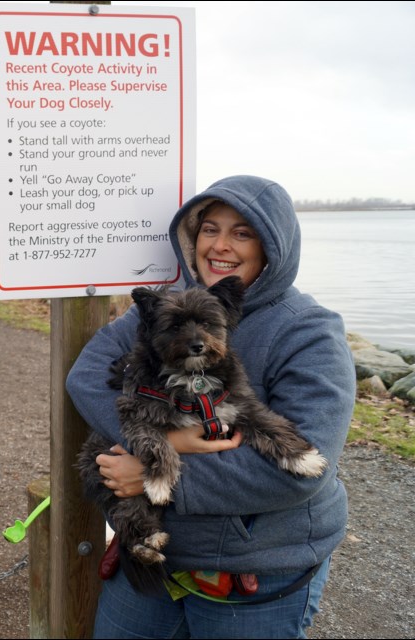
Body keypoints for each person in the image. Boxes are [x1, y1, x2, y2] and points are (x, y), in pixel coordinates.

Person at [66, 175, 355, 639]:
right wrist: (160, 441)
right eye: (209, 228)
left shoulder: (309, 332)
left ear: (273, 246)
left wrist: (156, 474)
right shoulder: (170, 305)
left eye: (242, 232)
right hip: (152, 555)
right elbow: (85, 377)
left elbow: (302, 467)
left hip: (256, 573)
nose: (221, 245)